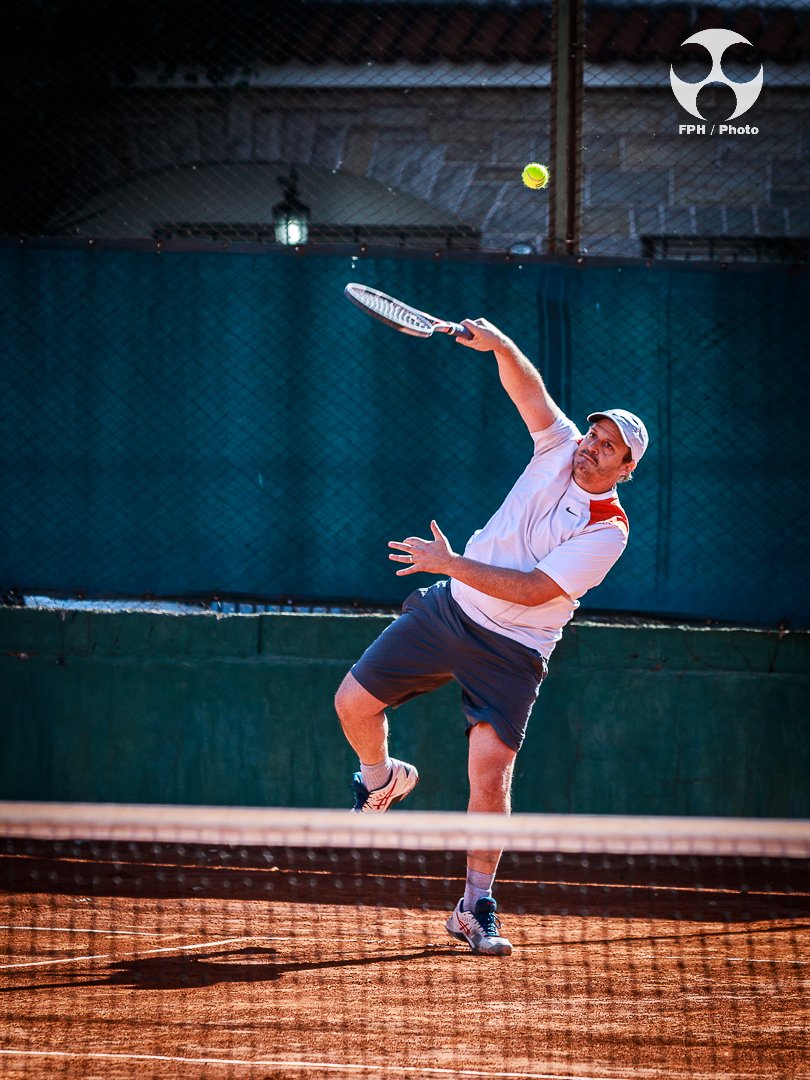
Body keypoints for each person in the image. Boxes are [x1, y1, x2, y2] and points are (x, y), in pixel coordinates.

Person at [334, 316, 649, 957]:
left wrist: (448, 562)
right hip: (451, 613)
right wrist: (500, 345)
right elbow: (527, 389)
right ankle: (381, 777)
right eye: (594, 432)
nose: (591, 444)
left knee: (489, 778)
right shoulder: (559, 446)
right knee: (351, 703)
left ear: (626, 467)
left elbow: (535, 591)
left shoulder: (608, 531)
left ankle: (475, 905)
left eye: (607, 444)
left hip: (513, 650)